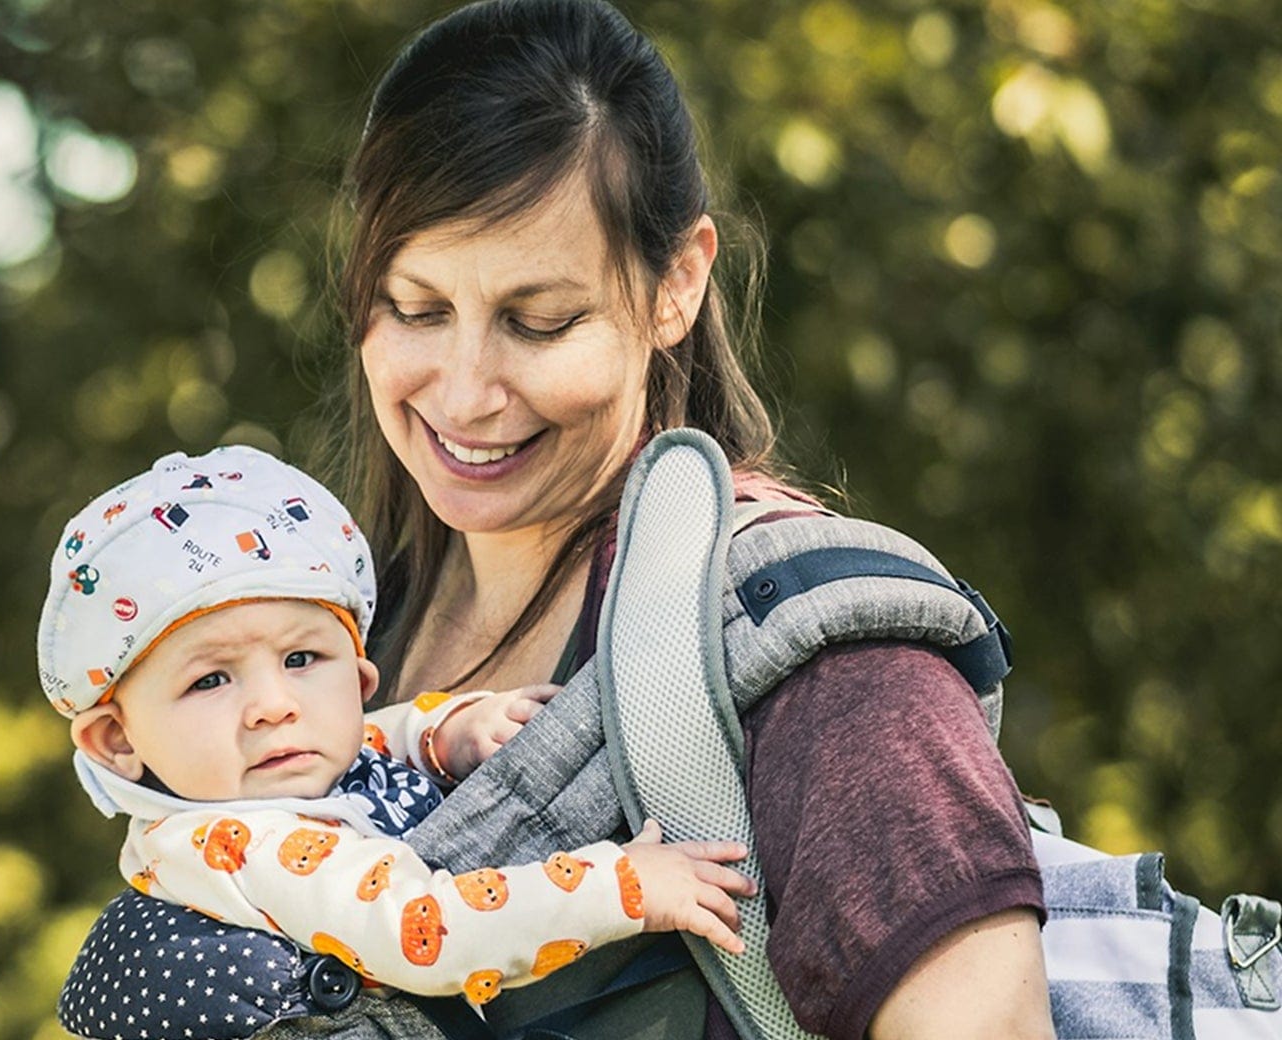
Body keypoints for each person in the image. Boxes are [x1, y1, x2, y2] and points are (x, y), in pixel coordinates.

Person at [54, 1, 1053, 1037]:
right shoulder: (316, 643)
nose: (467, 390)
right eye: (417, 308)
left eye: (539, 321)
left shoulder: (816, 659)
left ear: (677, 284)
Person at [37, 444, 759, 1027]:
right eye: (210, 681)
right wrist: (621, 888)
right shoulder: (242, 846)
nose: (272, 705)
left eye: (300, 659)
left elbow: (362, 742)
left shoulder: (267, 772)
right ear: (114, 741)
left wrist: (439, 728)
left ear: (358, 677)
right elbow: (429, 931)